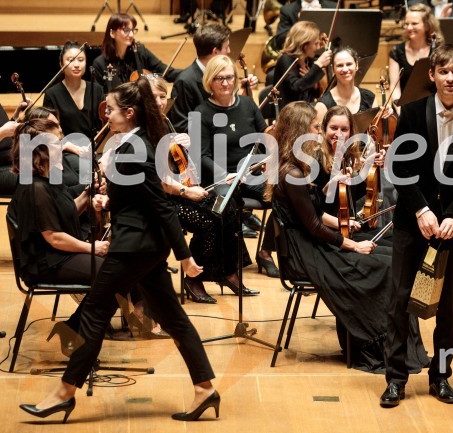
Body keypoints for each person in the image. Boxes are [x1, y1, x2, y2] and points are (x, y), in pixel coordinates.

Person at [19, 77, 219, 423]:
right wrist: (111, 197)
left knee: (95, 310)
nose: (105, 114)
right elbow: (140, 198)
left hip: (134, 247)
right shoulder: (133, 143)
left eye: (110, 109)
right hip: (144, 246)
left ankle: (65, 392)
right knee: (173, 317)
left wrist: (185, 256)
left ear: (129, 113)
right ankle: (205, 389)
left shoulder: (132, 149)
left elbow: (160, 206)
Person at [267, 102, 426, 373]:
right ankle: (381, 347)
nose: (318, 133)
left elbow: (314, 214)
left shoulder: (300, 166)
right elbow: (313, 226)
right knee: (382, 268)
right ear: (299, 132)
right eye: (315, 127)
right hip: (306, 253)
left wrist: (334, 193)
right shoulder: (292, 173)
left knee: (394, 260)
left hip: (315, 241)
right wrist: (354, 244)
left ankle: (406, 349)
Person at [381, 44, 453, 407]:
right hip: (413, 223)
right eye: (443, 71)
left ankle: (440, 377)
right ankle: (396, 378)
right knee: (399, 300)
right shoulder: (412, 113)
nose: (449, 78)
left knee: (447, 304)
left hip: (451, 226)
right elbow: (399, 168)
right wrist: (421, 210)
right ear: (432, 75)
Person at [149, 76, 259, 300]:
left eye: (163, 97)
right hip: (157, 200)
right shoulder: (145, 130)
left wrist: (182, 147)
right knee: (209, 220)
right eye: (154, 97)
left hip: (176, 191)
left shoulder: (162, 123)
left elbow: (174, 168)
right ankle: (194, 278)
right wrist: (186, 191)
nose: (160, 102)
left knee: (225, 206)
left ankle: (228, 272)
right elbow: (155, 179)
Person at [7, 117, 108, 354]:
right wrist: (92, 248)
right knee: (111, 273)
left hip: (57, 254)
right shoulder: (35, 187)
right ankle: (77, 332)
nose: (62, 147)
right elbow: (54, 237)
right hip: (47, 262)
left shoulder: (48, 179)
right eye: (56, 143)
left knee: (118, 270)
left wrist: (87, 192)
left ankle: (74, 329)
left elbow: (68, 210)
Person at [196, 55, 268, 206]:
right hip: (221, 179)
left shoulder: (248, 104)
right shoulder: (201, 113)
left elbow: (265, 137)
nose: (225, 83)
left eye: (229, 77)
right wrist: (225, 175)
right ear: (209, 80)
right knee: (223, 203)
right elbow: (202, 156)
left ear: (235, 78)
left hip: (251, 175)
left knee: (283, 194)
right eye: (218, 78)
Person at [312, 105, 390, 245]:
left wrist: (370, 164)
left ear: (351, 132)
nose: (339, 134)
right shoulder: (317, 158)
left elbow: (352, 195)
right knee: (389, 255)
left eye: (344, 129)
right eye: (333, 128)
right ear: (324, 129)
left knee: (395, 241)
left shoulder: (346, 155)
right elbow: (314, 210)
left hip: (347, 228)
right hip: (329, 235)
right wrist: (331, 185)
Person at [169, 23, 231, 133]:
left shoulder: (224, 75)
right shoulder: (185, 81)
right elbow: (181, 125)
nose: (229, 51)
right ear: (215, 52)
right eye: (227, 47)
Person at [91, 13, 179, 90]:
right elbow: (99, 97)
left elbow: (165, 71)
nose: (131, 35)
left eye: (133, 30)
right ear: (112, 33)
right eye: (126, 30)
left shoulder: (140, 51)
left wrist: (189, 74)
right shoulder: (100, 64)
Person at [44, 42, 104, 140]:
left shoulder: (97, 89)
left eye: (81, 60)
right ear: (61, 64)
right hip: (67, 150)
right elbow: (49, 130)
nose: (76, 65)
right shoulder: (51, 94)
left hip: (95, 147)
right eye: (71, 60)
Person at [266, 21, 332, 108]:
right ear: (304, 44)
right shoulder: (286, 60)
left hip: (306, 110)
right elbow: (296, 88)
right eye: (315, 44)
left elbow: (315, 94)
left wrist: (314, 84)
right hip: (289, 112)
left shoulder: (308, 60)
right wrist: (318, 65)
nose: (318, 47)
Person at [388, 4, 442, 106]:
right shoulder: (396, 51)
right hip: (405, 106)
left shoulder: (437, 50)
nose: (409, 27)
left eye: (414, 23)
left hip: (432, 106)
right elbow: (395, 89)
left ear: (427, 25)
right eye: (406, 23)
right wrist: (401, 112)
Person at [314, 47, 380, 122]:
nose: (345, 69)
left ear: (356, 65)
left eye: (349, 64)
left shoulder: (370, 98)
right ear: (333, 69)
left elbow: (375, 131)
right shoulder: (323, 105)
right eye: (340, 65)